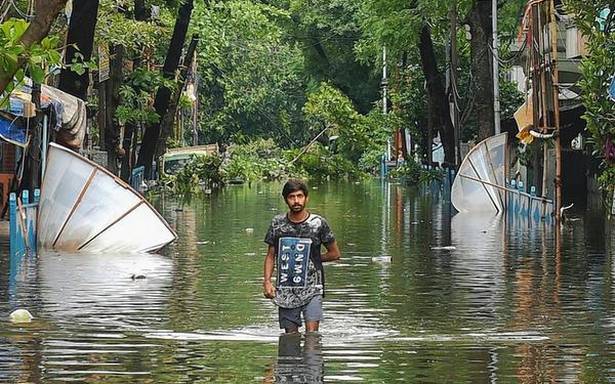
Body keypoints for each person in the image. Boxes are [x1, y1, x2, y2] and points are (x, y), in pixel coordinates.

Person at [263, 179, 341, 334]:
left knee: (312, 337)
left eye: (300, 196)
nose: (296, 201)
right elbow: (271, 255)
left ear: (307, 198)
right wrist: (267, 281)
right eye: (292, 197)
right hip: (286, 289)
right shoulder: (277, 224)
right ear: (286, 199)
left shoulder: (318, 223)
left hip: (313, 287)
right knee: (290, 337)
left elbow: (335, 254)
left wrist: (309, 258)